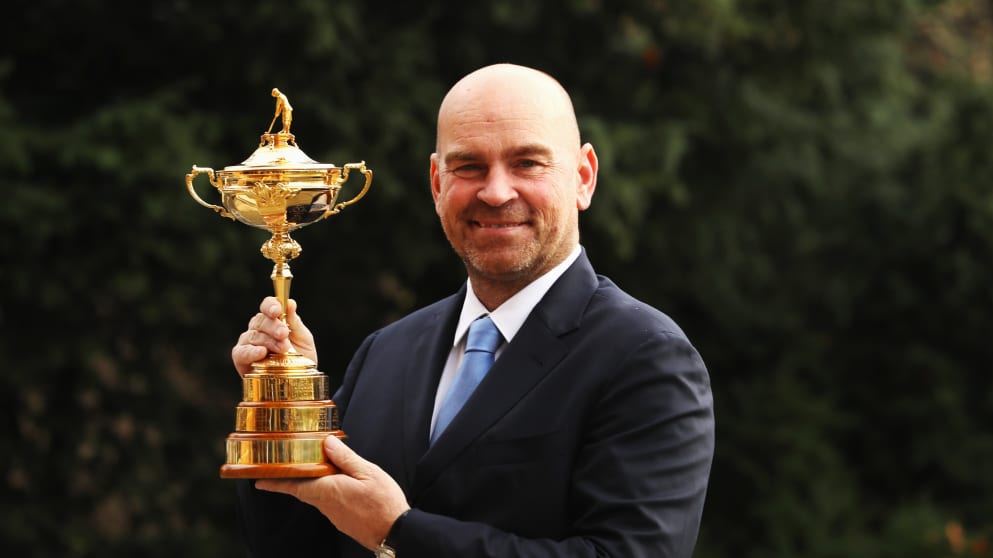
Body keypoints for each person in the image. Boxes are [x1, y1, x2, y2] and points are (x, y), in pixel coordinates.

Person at [232, 63, 715, 558]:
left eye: (528, 163)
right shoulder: (387, 351)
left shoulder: (645, 357)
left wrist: (399, 531)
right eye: (470, 167)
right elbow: (297, 546)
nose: (497, 192)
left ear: (583, 178)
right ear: (438, 184)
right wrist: (282, 409)